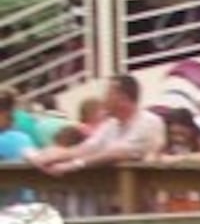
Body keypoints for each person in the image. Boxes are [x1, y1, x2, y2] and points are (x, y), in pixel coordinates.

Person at [27, 74, 166, 176]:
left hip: (140, 203)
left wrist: (74, 165)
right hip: (111, 197)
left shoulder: (149, 122)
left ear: (122, 99)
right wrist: (51, 156)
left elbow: (118, 152)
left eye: (108, 94)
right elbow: (88, 147)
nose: (103, 99)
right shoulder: (111, 124)